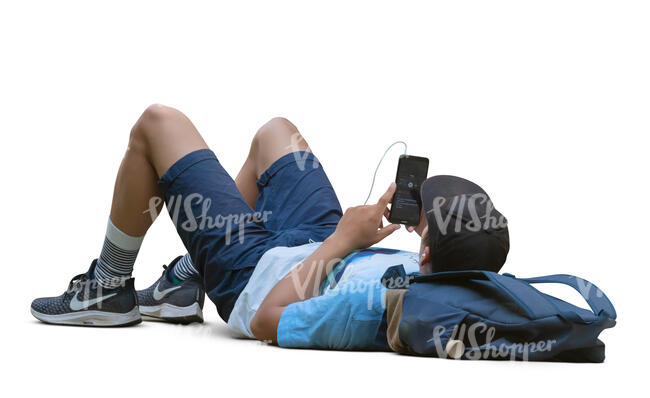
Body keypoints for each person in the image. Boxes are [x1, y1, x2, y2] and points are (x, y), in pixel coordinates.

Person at [31, 105, 509, 350]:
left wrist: (345, 239)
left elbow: (267, 321)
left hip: (254, 275)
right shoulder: (459, 275)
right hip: (318, 242)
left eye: (422, 221)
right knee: (276, 132)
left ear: (426, 254)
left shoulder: (364, 311)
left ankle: (109, 286)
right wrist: (357, 234)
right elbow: (468, 253)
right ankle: (186, 280)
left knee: (158, 124)